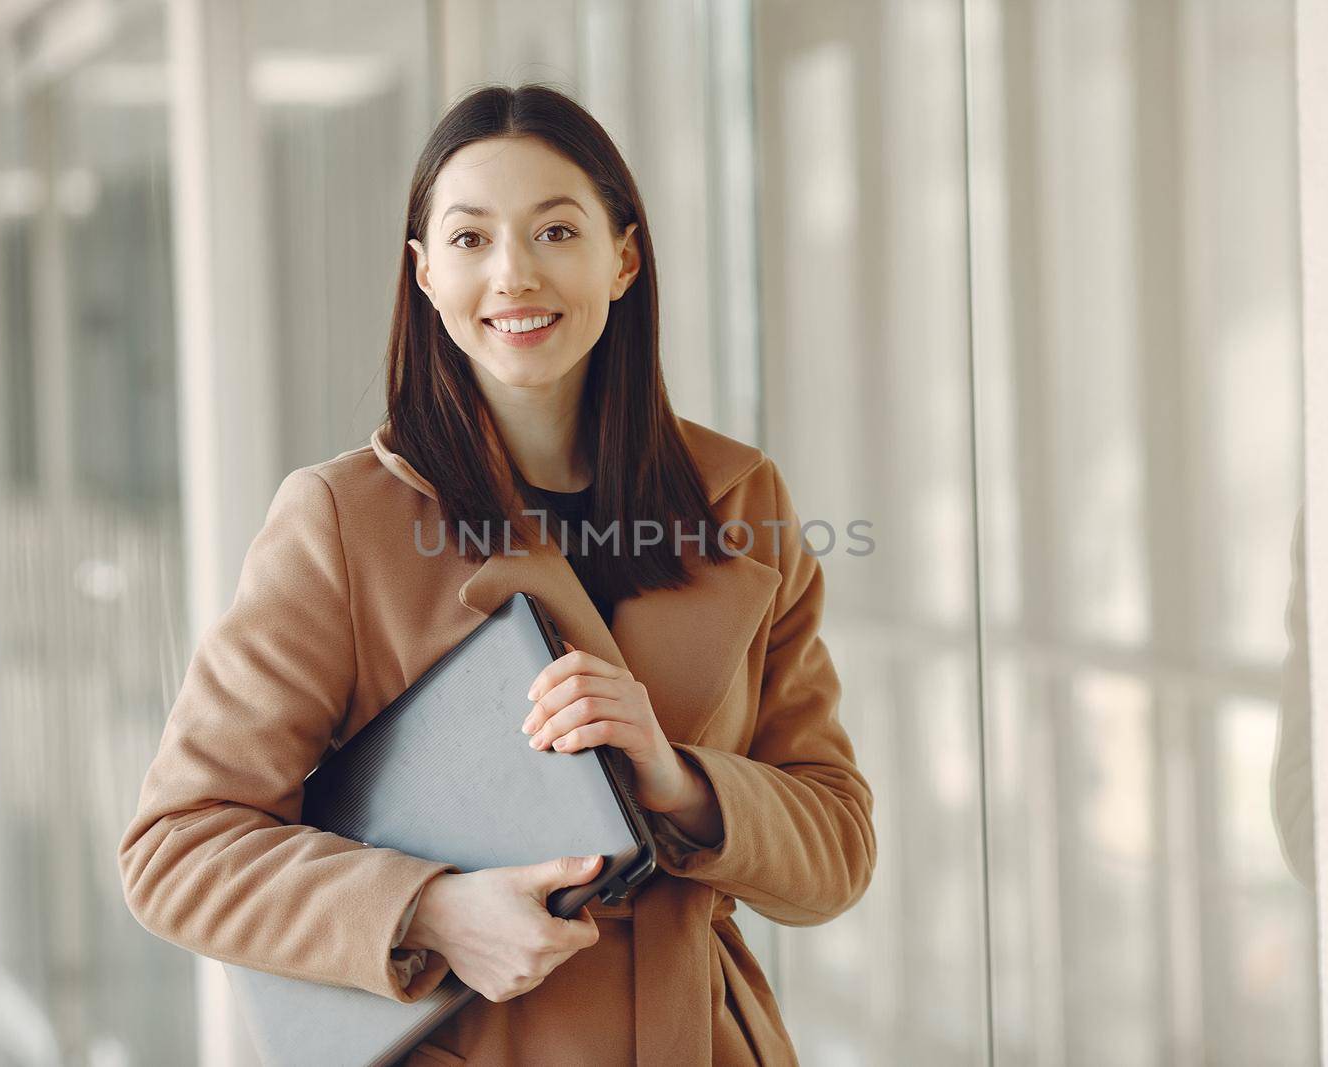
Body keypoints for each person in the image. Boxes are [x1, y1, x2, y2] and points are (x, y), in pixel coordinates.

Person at [118, 83, 876, 1066]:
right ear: (425, 273)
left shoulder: (738, 500)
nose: (514, 274)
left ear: (624, 256)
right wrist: (429, 907)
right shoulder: (345, 519)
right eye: (471, 239)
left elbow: (837, 848)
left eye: (556, 230)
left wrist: (675, 777)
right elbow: (176, 847)